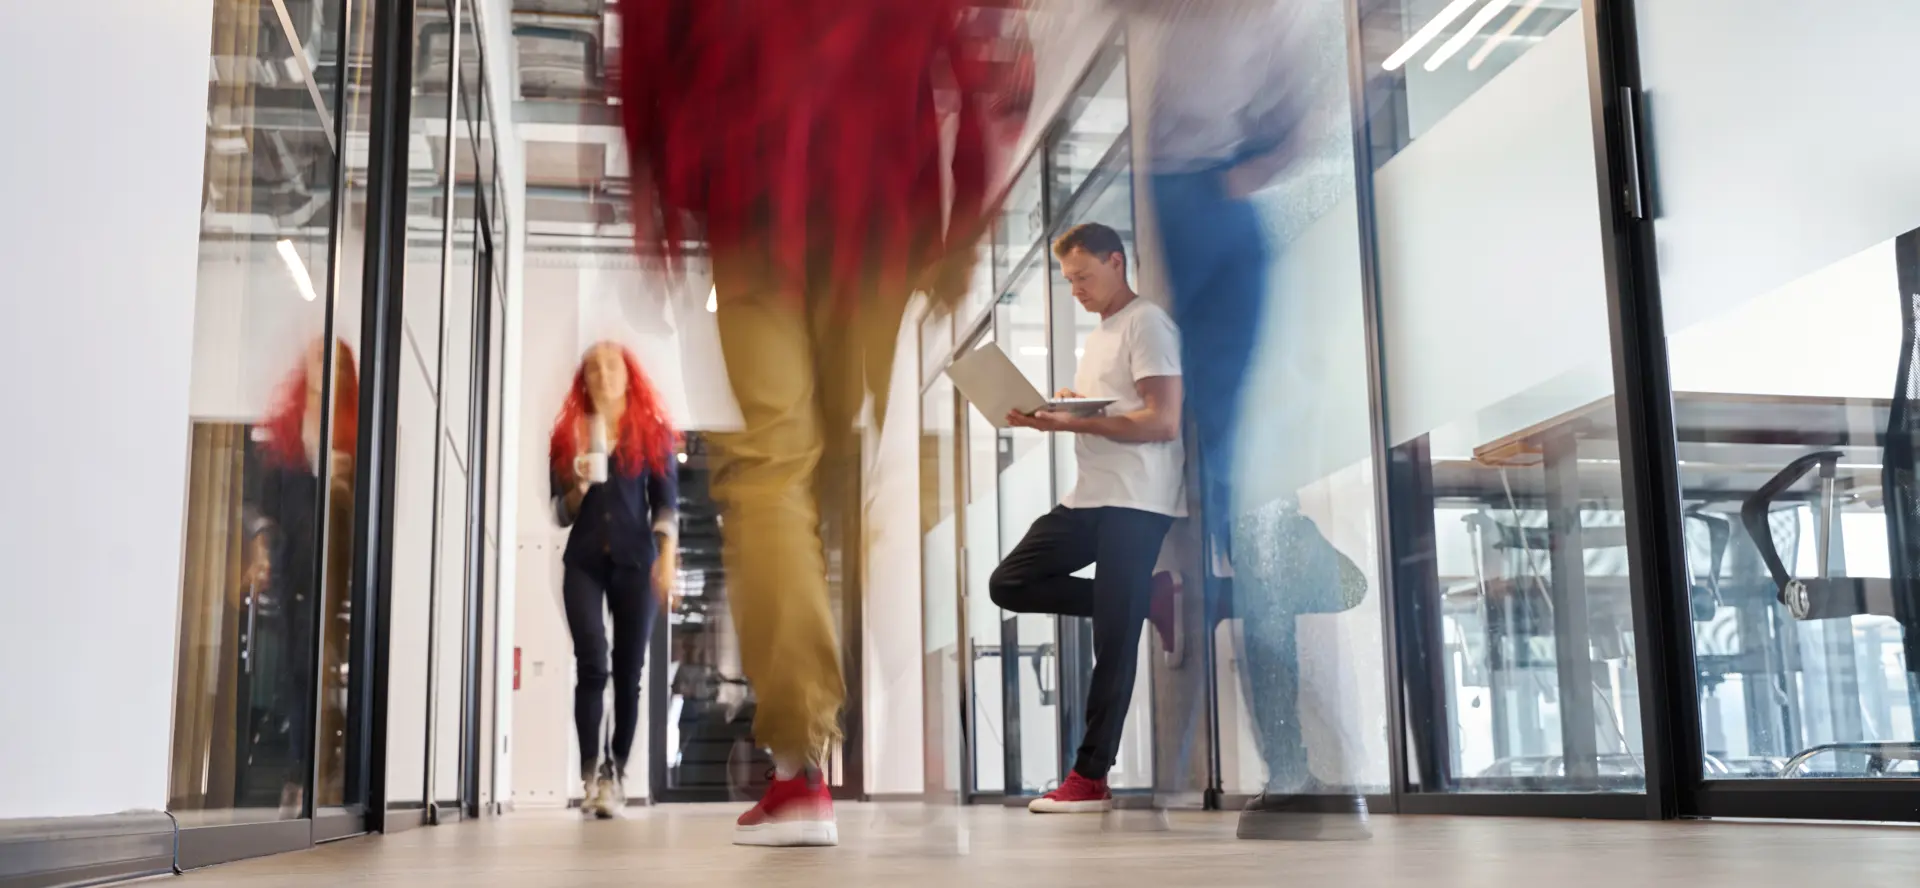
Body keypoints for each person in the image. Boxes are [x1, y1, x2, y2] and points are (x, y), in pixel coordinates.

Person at [619, 0, 1030, 846]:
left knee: (774, 471)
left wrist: (653, 193)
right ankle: (828, 710)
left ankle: (801, 765)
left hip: (754, 198)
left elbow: (648, 47)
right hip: (878, 212)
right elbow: (984, 55)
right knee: (826, 478)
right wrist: (966, 215)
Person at [1126, 0, 1371, 840]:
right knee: (1234, 501)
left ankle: (1309, 775)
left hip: (1213, 207)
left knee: (1239, 504)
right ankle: (1304, 772)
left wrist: (1232, 180)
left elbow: (1306, 121)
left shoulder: (1267, 17)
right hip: (1208, 205)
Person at [990, 222, 1185, 814]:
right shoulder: (1103, 332)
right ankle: (1146, 597)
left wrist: (1074, 421)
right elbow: (1122, 408)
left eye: (1083, 276)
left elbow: (1162, 422)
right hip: (1090, 495)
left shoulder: (1148, 323)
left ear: (1116, 261)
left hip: (1136, 498)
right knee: (1010, 582)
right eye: (1069, 279)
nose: (1075, 288)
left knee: (1113, 643)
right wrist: (1069, 406)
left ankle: (1091, 779)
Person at [549, 341, 680, 819]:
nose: (603, 374)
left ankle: (615, 775)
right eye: (594, 368)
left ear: (629, 375)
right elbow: (559, 513)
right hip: (583, 561)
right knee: (592, 664)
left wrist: (666, 559)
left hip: (636, 562)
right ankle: (589, 776)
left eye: (612, 365)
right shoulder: (567, 436)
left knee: (629, 673)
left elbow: (666, 504)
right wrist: (580, 483)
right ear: (583, 379)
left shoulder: (654, 435)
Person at [242, 337, 358, 816]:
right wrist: (263, 548)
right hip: (292, 566)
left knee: (315, 662)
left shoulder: (355, 432)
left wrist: (345, 484)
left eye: (333, 362)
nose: (322, 367)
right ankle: (304, 769)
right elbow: (263, 504)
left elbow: (368, 511)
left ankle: (305, 771)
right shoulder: (288, 432)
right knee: (294, 668)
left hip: (335, 566)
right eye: (316, 357)